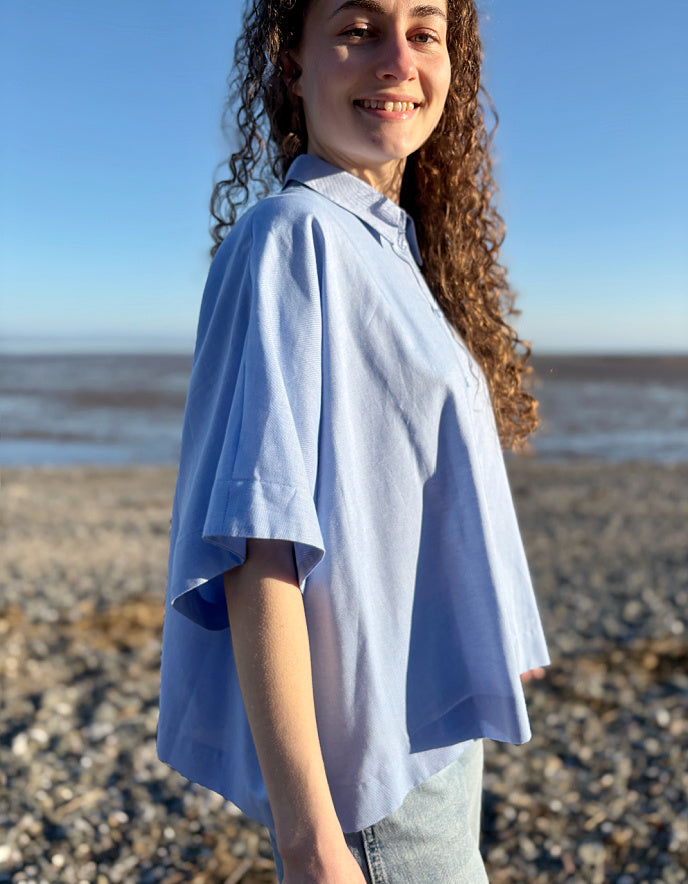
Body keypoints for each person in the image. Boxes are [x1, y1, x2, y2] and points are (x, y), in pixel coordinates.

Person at [157, 0, 549, 880]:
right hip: (365, 775)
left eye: (424, 33)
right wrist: (310, 839)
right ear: (292, 63)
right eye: (358, 30)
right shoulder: (292, 236)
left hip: (431, 730)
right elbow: (258, 546)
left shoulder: (391, 249)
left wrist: (491, 628)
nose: (398, 61)